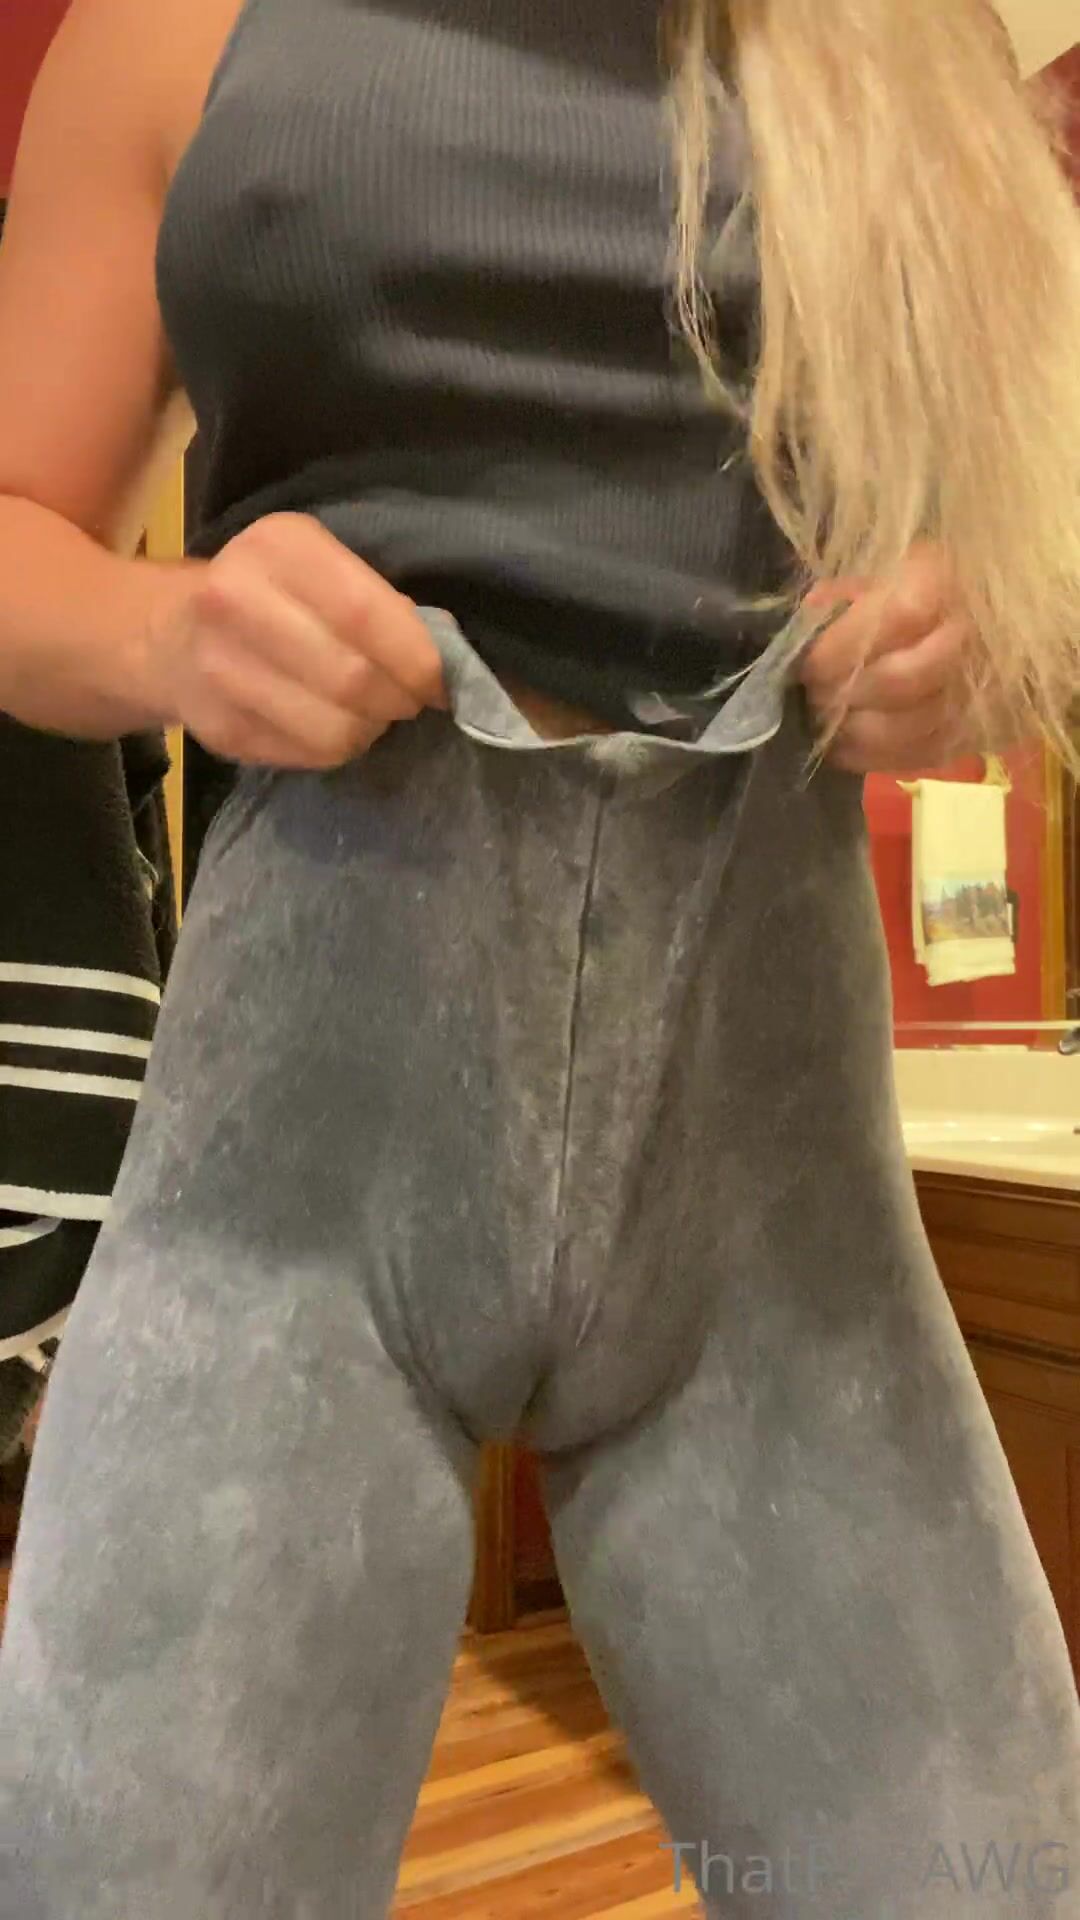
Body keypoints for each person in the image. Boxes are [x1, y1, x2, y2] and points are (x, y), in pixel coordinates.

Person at [1, 1, 1078, 1914]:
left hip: (773, 1191)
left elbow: (1022, 558)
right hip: (294, 1189)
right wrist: (171, 637)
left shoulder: (907, 45)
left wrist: (988, 635)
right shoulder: (174, 23)